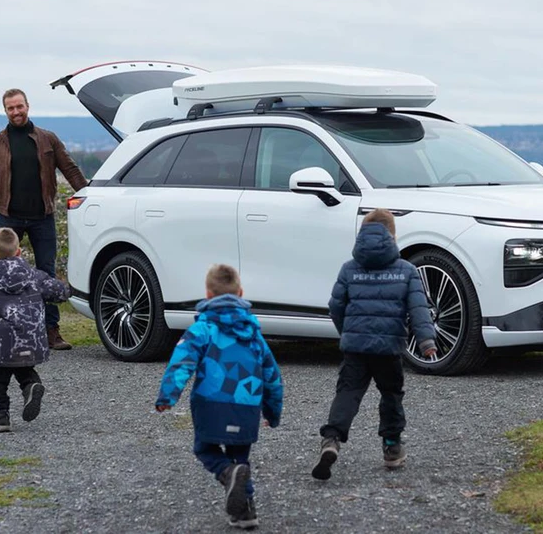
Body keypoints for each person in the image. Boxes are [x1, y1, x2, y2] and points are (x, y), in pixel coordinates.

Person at [311, 208, 437, 481]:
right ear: (392, 236)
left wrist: (347, 331)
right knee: (391, 394)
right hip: (388, 348)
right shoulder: (406, 270)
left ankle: (331, 439)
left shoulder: (349, 269)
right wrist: (427, 340)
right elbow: (418, 309)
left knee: (348, 393)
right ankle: (392, 447)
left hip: (355, 347)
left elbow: (335, 305)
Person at [155, 264, 283, 530]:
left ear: (208, 295)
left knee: (205, 448)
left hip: (211, 404)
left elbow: (182, 363)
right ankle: (245, 512)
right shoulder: (254, 334)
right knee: (241, 458)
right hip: (246, 407)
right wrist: (272, 412)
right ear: (241, 292)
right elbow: (272, 377)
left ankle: (226, 473)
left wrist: (168, 396)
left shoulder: (203, 329)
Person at [0, 88, 88, 351]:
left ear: (28, 106)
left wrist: (88, 195)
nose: (16, 112)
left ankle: (51, 331)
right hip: (8, 216)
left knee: (47, 274)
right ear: (5, 111)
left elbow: (69, 168)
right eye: (10, 108)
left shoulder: (48, 139)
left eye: (19, 107)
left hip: (43, 217)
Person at [0, 228, 70, 432]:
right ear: (19, 252)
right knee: (23, 367)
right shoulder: (35, 276)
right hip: (33, 339)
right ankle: (31, 386)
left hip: (3, 342)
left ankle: (1, 416)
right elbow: (60, 292)